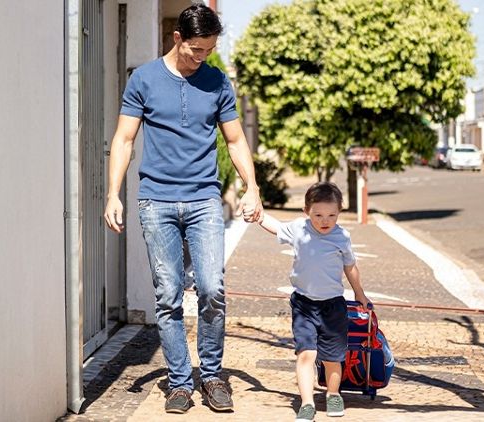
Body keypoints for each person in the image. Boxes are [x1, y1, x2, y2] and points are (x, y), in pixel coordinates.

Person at [102, 4, 262, 415]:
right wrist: (113, 193)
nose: (201, 57)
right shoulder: (145, 79)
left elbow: (235, 141)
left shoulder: (217, 82)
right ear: (177, 38)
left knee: (212, 289)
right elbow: (123, 139)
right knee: (168, 296)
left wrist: (253, 188)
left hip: (204, 199)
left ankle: (210, 377)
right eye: (195, 49)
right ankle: (178, 383)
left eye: (208, 50)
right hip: (156, 200)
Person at [256, 182, 370, 422]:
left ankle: (332, 394)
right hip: (303, 304)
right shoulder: (299, 228)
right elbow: (275, 227)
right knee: (306, 354)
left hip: (333, 306)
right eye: (318, 214)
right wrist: (257, 214)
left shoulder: (342, 237)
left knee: (333, 357)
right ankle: (307, 403)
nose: (325, 220)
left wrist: (359, 294)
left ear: (339, 212)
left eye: (332, 215)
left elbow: (350, 268)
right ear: (306, 211)